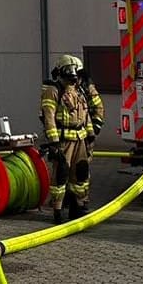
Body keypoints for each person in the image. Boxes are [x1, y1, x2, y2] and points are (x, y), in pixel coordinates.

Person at [39, 54, 93, 224]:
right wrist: (54, 142)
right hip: (63, 141)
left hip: (80, 140)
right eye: (71, 73)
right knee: (61, 175)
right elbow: (49, 118)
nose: (74, 78)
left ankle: (78, 207)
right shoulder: (53, 91)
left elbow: (85, 115)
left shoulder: (78, 90)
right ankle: (57, 210)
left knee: (81, 173)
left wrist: (90, 135)